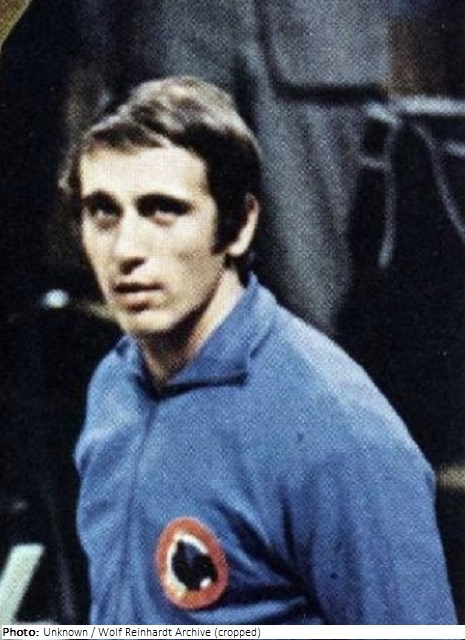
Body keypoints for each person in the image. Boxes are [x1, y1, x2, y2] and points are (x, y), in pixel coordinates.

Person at [68, 76, 457, 624]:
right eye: (104, 212)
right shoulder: (113, 384)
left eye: (163, 210)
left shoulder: (339, 434)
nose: (126, 249)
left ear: (239, 225)